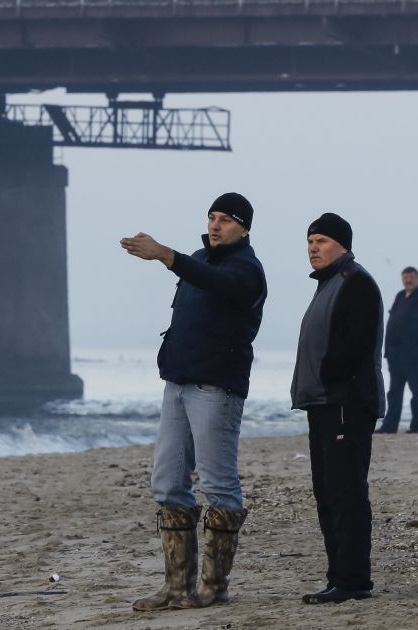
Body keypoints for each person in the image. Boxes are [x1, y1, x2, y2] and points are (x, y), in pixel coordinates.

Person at [120, 192, 267, 611]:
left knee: (219, 485)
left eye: (225, 219)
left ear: (245, 227)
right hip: (178, 385)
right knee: (166, 482)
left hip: (216, 389)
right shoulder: (199, 262)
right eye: (212, 217)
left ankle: (214, 587)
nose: (216, 224)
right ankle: (177, 586)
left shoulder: (248, 270)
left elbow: (222, 286)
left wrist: (167, 255)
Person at [290, 213, 386, 604]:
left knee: (345, 492)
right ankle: (339, 577)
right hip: (323, 402)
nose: (314, 247)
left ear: (343, 245)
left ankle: (352, 581)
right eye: (310, 240)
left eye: (322, 241)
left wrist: (329, 372)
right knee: (327, 492)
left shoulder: (355, 282)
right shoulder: (329, 284)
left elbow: (356, 344)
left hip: (345, 401)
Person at [376, 267, 418, 434]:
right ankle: (390, 426)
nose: (408, 280)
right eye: (405, 277)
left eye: (411, 277)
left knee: (417, 393)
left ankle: (417, 426)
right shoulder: (400, 296)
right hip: (395, 355)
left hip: (415, 356)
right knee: (394, 393)